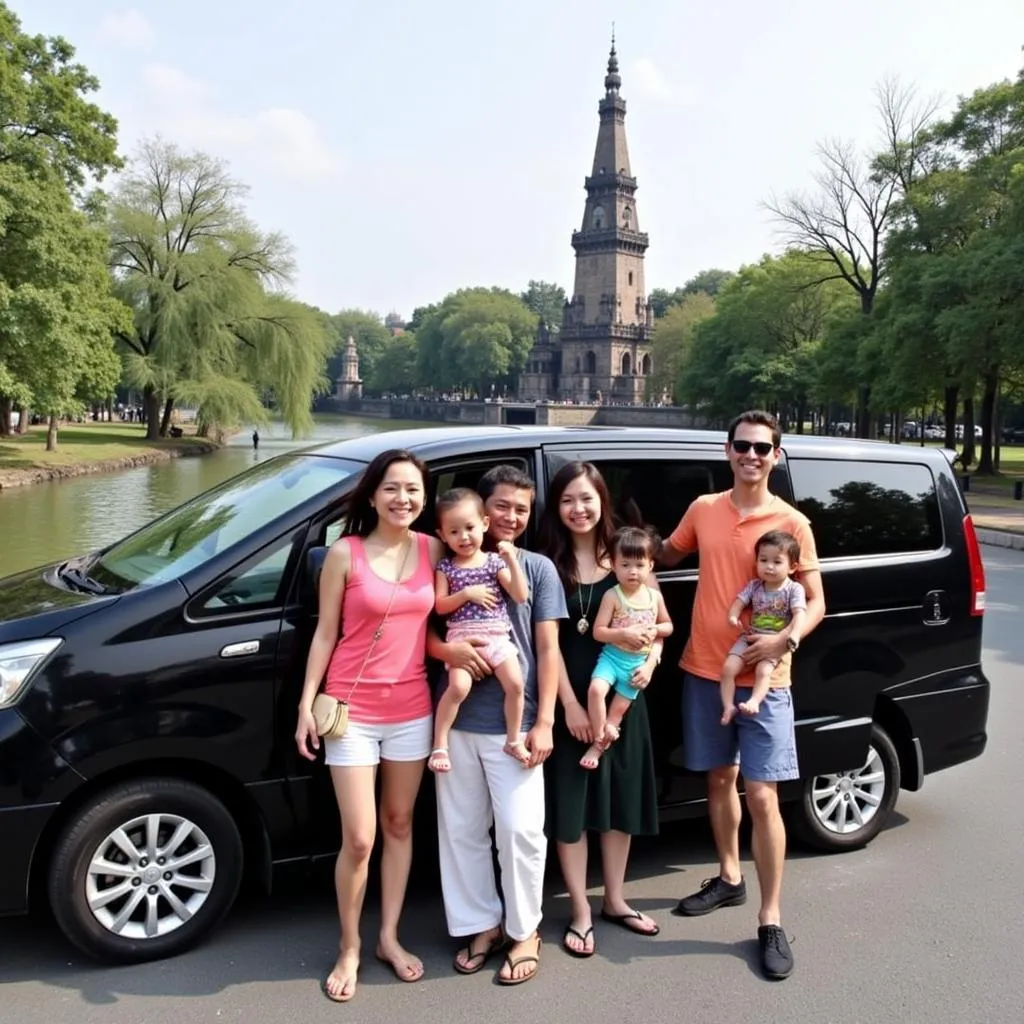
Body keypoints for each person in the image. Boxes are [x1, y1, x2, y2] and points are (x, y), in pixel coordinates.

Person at [659, 410, 825, 981]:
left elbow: (816, 601)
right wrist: (605, 546)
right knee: (718, 780)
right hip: (705, 667)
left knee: (763, 796)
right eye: (741, 446)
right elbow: (663, 555)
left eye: (762, 447)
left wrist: (783, 641)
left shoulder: (792, 523)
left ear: (776, 455)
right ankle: (729, 878)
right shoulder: (704, 510)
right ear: (726, 451)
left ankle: (771, 917)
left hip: (768, 682)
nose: (751, 455)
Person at [295, 449, 444, 1003]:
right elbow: (324, 634)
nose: (403, 499)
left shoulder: (432, 548)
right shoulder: (345, 554)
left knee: (400, 823)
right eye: (392, 489)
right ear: (373, 494)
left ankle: (388, 936)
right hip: (351, 714)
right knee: (360, 838)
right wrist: (307, 703)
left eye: (413, 490)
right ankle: (349, 945)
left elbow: (483, 564)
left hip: (412, 709)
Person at [427, 465, 566, 985]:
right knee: (461, 830)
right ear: (481, 511)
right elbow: (424, 629)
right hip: (460, 718)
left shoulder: (536, 568)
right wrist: (448, 649)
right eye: (502, 506)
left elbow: (548, 648)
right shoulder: (448, 559)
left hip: (517, 719)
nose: (511, 516)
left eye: (521, 509)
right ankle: (480, 924)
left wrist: (545, 718)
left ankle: (525, 928)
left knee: (520, 830)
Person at [539, 462, 662, 960]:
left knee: (619, 804)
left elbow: (657, 619)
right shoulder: (547, 562)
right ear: (557, 506)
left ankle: (614, 899)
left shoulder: (628, 556)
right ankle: (580, 910)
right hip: (569, 698)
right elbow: (543, 643)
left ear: (602, 501)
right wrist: (566, 706)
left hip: (624, 700)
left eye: (587, 498)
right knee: (572, 807)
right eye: (568, 499)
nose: (579, 508)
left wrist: (653, 660)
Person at [430, 487, 530, 772]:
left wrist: (510, 558)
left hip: (497, 635)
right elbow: (439, 606)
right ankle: (440, 744)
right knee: (459, 687)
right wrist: (466, 595)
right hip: (463, 636)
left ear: (485, 524)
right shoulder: (446, 567)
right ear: (442, 535)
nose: (463, 537)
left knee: (515, 684)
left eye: (470, 528)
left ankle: (513, 740)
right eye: (454, 532)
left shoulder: (493, 562)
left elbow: (520, 595)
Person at [580, 525, 673, 769]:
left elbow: (668, 626)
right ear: (613, 565)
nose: (633, 572)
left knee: (617, 713)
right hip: (612, 658)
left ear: (651, 566)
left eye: (640, 565)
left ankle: (599, 746)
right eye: (625, 565)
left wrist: (656, 630)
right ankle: (600, 734)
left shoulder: (654, 597)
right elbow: (598, 632)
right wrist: (621, 633)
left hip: (636, 665)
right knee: (596, 691)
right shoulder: (613, 595)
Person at [720, 530, 807, 725]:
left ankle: (755, 701)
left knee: (763, 671)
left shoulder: (793, 589)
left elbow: (800, 614)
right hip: (749, 636)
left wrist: (793, 635)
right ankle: (728, 706)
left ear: (792, 567)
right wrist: (733, 615)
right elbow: (739, 602)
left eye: (777, 562)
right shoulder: (755, 586)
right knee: (728, 668)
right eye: (763, 560)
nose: (769, 567)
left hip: (774, 641)